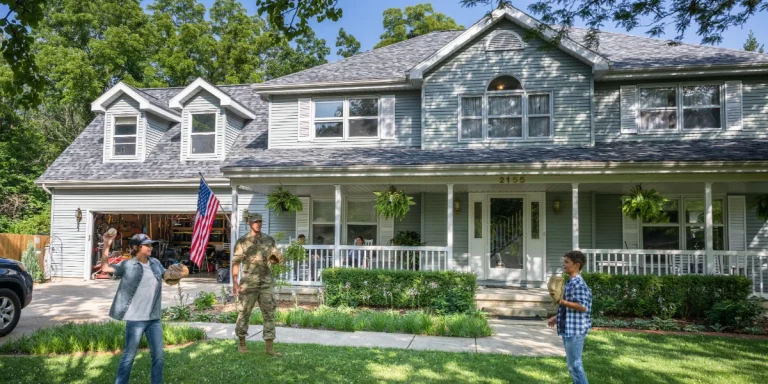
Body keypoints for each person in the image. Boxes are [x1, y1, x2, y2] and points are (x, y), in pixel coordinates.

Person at [99, 232, 188, 384]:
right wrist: (107, 244)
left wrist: (179, 273)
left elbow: (166, 277)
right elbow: (105, 268)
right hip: (135, 319)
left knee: (159, 356)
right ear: (136, 247)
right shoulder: (127, 265)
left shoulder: (155, 263)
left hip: (153, 318)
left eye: (150, 245)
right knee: (129, 356)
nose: (150, 247)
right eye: (146, 245)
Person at [232, 212, 282, 356]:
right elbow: (236, 262)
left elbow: (274, 257)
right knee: (244, 313)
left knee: (269, 314)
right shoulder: (242, 241)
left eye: (260, 221)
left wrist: (275, 259)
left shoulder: (269, 240)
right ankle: (242, 343)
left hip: (266, 282)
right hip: (248, 283)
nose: (258, 224)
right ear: (249, 223)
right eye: (255, 221)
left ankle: (269, 347)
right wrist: (235, 283)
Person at [548, 250, 592, 384]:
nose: (564, 265)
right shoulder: (571, 282)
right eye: (564, 262)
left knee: (575, 366)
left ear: (577, 265)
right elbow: (570, 306)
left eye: (567, 262)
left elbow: (583, 306)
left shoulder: (578, 283)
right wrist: (557, 317)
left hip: (576, 330)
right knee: (573, 365)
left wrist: (561, 301)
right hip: (569, 328)